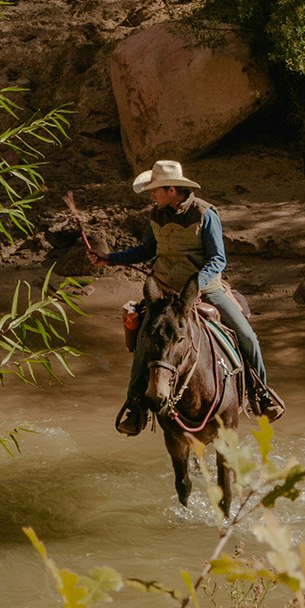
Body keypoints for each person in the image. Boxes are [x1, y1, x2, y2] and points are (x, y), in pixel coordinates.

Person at [83, 158, 283, 434]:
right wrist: (110, 259)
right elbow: (146, 250)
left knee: (248, 337)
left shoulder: (205, 214)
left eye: (156, 189)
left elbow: (217, 259)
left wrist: (195, 286)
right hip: (164, 291)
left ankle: (261, 394)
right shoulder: (156, 215)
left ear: (173, 190)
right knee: (144, 343)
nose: (152, 194)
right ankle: (135, 405)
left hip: (206, 289)